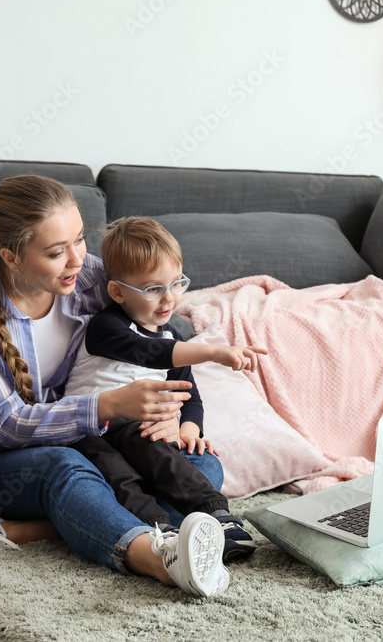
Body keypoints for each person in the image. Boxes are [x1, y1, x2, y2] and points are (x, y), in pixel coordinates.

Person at [0, 175, 229, 597]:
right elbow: (7, 425)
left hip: (102, 448)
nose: (77, 260)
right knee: (67, 466)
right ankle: (157, 558)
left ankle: (25, 530)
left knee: (200, 465)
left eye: (80, 240)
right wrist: (107, 405)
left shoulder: (96, 279)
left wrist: (176, 422)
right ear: (11, 257)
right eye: (55, 252)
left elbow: (159, 331)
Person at [64, 217, 267, 562]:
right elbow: (149, 352)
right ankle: (162, 536)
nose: (168, 299)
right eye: (153, 289)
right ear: (117, 292)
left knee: (192, 460)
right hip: (89, 430)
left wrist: (187, 429)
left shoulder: (172, 335)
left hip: (140, 429)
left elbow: (190, 395)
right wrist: (214, 352)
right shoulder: (106, 326)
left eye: (177, 284)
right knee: (120, 477)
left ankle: (215, 518)